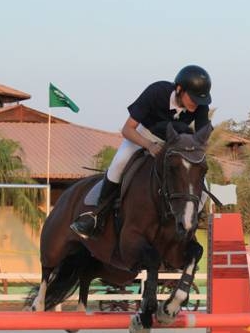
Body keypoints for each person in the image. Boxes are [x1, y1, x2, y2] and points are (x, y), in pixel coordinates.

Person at [70, 65, 212, 239]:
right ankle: (97, 216)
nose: (197, 103)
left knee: (201, 178)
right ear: (179, 89)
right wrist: (149, 145)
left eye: (200, 100)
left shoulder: (200, 105)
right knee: (119, 163)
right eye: (193, 98)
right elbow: (127, 129)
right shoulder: (156, 92)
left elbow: (201, 138)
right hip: (143, 135)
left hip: (175, 144)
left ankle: (190, 220)